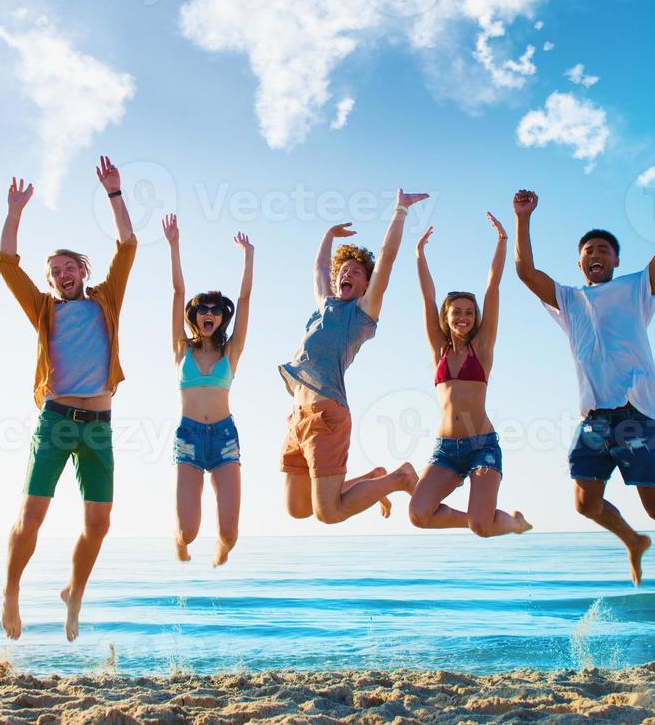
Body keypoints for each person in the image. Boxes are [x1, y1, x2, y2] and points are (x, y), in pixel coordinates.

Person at [513, 153, 655, 607]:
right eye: (588, 251)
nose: (596, 254)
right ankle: (632, 540)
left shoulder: (638, 287)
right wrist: (522, 218)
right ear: (580, 263)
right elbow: (525, 272)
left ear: (616, 259)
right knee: (584, 503)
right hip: (594, 415)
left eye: (604, 249)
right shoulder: (568, 300)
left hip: (636, 412)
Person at [0, 157, 137, 641]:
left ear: (83, 270)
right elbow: (7, 265)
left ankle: (73, 592)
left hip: (99, 425)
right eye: (55, 271)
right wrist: (14, 212)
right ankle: (11, 590)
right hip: (55, 421)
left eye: (69, 266)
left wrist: (115, 194)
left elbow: (127, 245)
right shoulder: (42, 308)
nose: (62, 274)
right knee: (32, 513)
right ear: (51, 280)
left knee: (99, 523)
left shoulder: (106, 299)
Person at [280, 190, 427, 524]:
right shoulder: (324, 306)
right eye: (344, 270)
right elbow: (319, 266)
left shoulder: (361, 312)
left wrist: (401, 210)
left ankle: (400, 477)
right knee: (298, 508)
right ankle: (375, 477)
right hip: (297, 418)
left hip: (327, 415)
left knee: (328, 513)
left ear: (365, 285)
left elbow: (387, 257)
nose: (348, 274)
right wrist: (328, 236)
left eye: (357, 272)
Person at [408, 213, 531, 537]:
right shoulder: (439, 350)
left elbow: (492, 286)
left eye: (469, 312)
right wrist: (419, 255)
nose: (463, 317)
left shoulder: (483, 347)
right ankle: (486, 516)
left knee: (481, 527)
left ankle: (511, 522)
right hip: (445, 449)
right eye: (456, 312)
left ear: (475, 317)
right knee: (419, 514)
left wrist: (502, 242)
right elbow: (427, 297)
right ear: (446, 318)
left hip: (482, 446)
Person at [162, 214, 253, 566]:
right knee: (188, 531)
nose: (209, 313)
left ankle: (222, 550)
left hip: (225, 437)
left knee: (229, 535)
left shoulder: (232, 352)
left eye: (216, 310)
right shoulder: (180, 349)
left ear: (221, 318)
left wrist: (249, 256)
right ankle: (179, 544)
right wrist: (174, 246)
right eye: (203, 309)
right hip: (188, 438)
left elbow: (245, 299)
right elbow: (177, 292)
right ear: (195, 316)